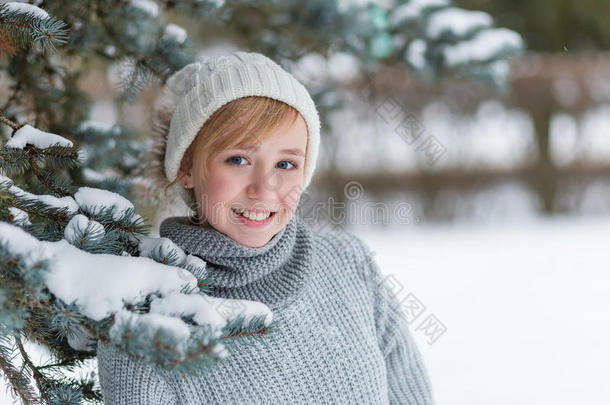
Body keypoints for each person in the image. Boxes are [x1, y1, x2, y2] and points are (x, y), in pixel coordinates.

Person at [96, 50, 435, 404]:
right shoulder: (145, 313)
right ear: (186, 166)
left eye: (286, 164)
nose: (264, 188)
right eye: (238, 159)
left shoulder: (349, 263)